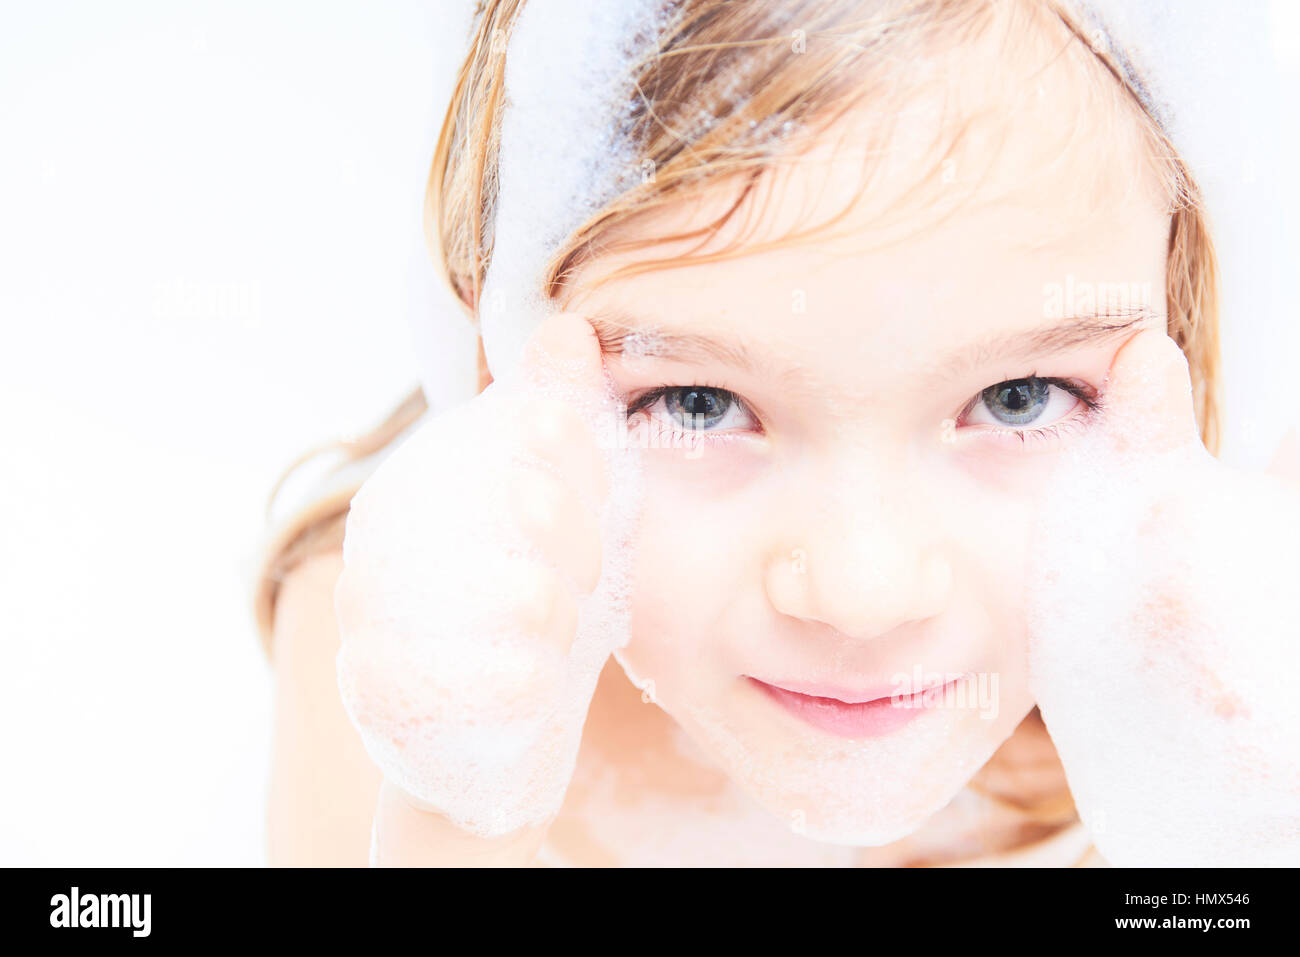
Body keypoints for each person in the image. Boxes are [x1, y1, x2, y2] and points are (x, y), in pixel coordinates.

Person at [257, 0, 1300, 866]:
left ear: (1199, 337)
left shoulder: (1245, 650)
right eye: (697, 403)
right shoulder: (394, 665)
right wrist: (457, 815)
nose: (861, 590)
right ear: (493, 359)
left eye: (1019, 396)